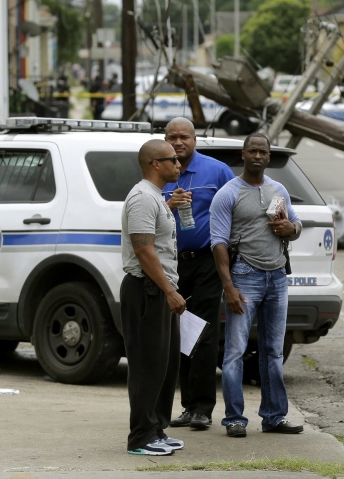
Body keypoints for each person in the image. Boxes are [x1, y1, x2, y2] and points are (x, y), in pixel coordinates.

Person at [210, 133, 304, 438]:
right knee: (235, 351)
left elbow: (296, 225)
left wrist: (291, 228)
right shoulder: (228, 193)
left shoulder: (279, 190)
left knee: (273, 352)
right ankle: (234, 418)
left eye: (264, 151)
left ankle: (274, 417)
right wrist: (229, 287)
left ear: (268, 156)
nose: (259, 156)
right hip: (244, 276)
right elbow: (218, 243)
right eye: (253, 151)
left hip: (277, 277)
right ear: (243, 154)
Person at [163, 118, 236, 431]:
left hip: (207, 262)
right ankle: (187, 405)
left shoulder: (217, 171)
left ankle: (203, 409)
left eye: (184, 137)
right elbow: (147, 211)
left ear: (195, 139)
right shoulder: (160, 170)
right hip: (171, 263)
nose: (178, 142)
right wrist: (169, 203)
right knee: (180, 334)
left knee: (202, 332)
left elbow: (237, 207)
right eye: (172, 137)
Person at [120, 139, 187, 456]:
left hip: (159, 289)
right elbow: (143, 249)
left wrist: (170, 207)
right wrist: (170, 291)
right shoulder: (143, 198)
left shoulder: (157, 198)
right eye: (173, 159)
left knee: (165, 364)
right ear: (155, 164)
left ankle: (156, 429)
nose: (179, 164)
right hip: (148, 290)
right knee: (147, 365)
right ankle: (140, 437)